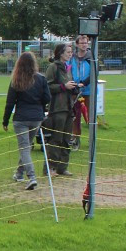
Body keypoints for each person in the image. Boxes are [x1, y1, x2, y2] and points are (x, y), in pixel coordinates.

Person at [2, 51, 51, 191]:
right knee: (26, 146)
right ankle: (19, 173)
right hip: (36, 118)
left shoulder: (16, 80)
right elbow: (47, 98)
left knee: (24, 148)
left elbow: (9, 103)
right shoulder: (41, 79)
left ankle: (32, 177)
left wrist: (5, 120)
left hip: (21, 119)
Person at [43, 42, 77, 177]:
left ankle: (62, 168)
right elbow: (47, 86)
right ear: (60, 53)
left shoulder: (68, 68)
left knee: (66, 139)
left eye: (71, 52)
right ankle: (50, 168)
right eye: (68, 52)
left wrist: (74, 87)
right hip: (57, 108)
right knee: (56, 139)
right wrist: (64, 87)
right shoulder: (53, 68)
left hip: (69, 107)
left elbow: (68, 84)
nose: (70, 54)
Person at [68, 34, 93, 149]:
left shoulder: (91, 57)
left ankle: (92, 138)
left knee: (90, 116)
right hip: (75, 91)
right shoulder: (72, 57)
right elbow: (67, 70)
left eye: (86, 43)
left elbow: (94, 73)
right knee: (75, 116)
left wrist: (84, 83)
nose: (84, 45)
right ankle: (76, 139)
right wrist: (72, 83)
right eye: (82, 43)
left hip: (88, 91)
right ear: (77, 44)